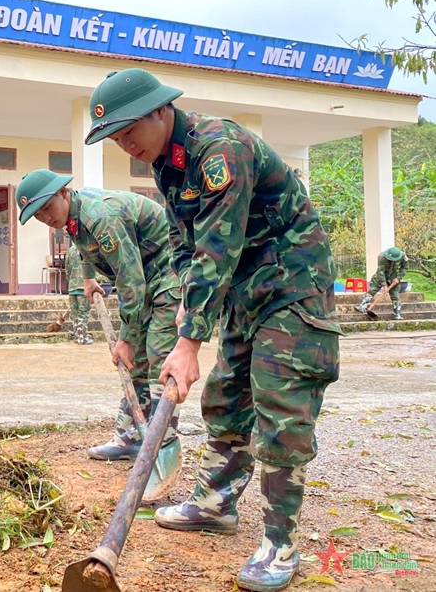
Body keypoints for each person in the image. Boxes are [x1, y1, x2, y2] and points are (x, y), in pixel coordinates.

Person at [84, 67, 341, 592]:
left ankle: (280, 542)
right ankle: (215, 502)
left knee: (280, 402)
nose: (125, 143)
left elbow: (218, 246)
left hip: (292, 284)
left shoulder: (220, 148)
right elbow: (186, 244)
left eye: (130, 129)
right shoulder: (168, 165)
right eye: (116, 137)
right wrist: (188, 302)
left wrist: (188, 342)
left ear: (162, 110)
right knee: (226, 395)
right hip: (244, 289)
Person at [16, 168, 182, 500]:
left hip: (168, 274)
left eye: (47, 208)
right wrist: (88, 277)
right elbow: (82, 244)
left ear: (64, 192)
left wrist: (126, 339)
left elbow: (131, 282)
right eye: (38, 215)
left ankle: (162, 446)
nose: (46, 218)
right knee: (135, 363)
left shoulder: (101, 216)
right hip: (143, 276)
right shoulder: (73, 216)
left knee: (158, 357)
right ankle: (130, 436)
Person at [355, 246, 408, 320]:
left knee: (395, 295)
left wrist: (398, 278)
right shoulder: (382, 257)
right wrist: (384, 285)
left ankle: (397, 314)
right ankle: (362, 306)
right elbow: (381, 272)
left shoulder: (403, 257)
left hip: (393, 277)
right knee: (372, 290)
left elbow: (405, 267)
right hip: (380, 277)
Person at [65, 244, 93, 345]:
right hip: (84, 287)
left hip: (72, 287)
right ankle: (83, 337)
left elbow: (67, 270)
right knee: (83, 313)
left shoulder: (70, 251)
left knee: (75, 314)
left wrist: (71, 281)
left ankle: (77, 336)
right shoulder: (88, 248)